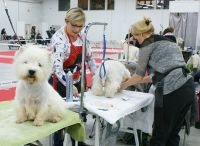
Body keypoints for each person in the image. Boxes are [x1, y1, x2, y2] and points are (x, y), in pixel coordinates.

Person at [120, 17, 195, 146]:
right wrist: (142, 80)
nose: (135, 40)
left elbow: (138, 75)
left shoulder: (146, 44)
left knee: (159, 137)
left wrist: (122, 85)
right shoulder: (168, 42)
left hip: (172, 90)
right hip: (188, 88)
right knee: (172, 135)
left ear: (142, 34)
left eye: (135, 36)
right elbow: (162, 71)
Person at [49, 7, 96, 146]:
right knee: (60, 118)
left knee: (80, 114)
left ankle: (79, 142)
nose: (77, 29)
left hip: (78, 79)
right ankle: (58, 143)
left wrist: (96, 75)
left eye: (80, 26)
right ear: (66, 21)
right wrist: (70, 86)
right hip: (60, 83)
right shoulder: (59, 40)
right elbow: (57, 69)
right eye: (74, 25)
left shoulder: (83, 37)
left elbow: (90, 59)